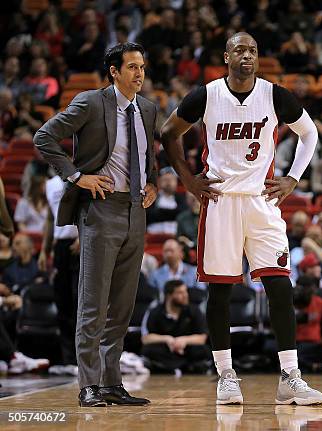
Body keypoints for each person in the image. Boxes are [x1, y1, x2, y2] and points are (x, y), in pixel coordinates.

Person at [160, 33, 322, 405]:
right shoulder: (206, 94)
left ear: (257, 57)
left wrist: (293, 178)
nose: (246, 55)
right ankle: (226, 375)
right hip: (220, 202)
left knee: (280, 288)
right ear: (227, 57)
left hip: (262, 201)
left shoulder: (275, 94)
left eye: (252, 50)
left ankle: (290, 377)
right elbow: (169, 133)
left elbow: (309, 133)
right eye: (239, 50)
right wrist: (187, 180)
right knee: (220, 292)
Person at [34, 42, 157, 407]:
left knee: (122, 306)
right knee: (93, 304)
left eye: (143, 67)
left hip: (136, 210)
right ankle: (88, 384)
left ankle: (112, 383)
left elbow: (149, 155)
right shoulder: (90, 102)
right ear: (114, 72)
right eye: (132, 67)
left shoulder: (148, 110)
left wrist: (151, 182)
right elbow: (44, 137)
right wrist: (76, 176)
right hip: (100, 209)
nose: (139, 73)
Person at [39, 173, 80, 371]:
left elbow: (88, 208)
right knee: (62, 301)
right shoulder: (50, 184)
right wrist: (43, 250)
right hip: (61, 246)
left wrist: (83, 235)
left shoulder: (81, 177)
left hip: (80, 243)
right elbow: (49, 218)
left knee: (79, 300)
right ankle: (68, 359)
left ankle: (84, 357)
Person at [141, 280, 211, 374]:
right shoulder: (155, 311)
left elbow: (202, 338)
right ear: (169, 295)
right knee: (148, 350)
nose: (185, 295)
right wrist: (167, 339)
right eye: (180, 293)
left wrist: (183, 340)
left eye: (185, 291)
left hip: (187, 348)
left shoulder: (194, 310)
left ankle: (173, 367)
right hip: (166, 348)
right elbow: (146, 338)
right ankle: (180, 367)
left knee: (203, 350)